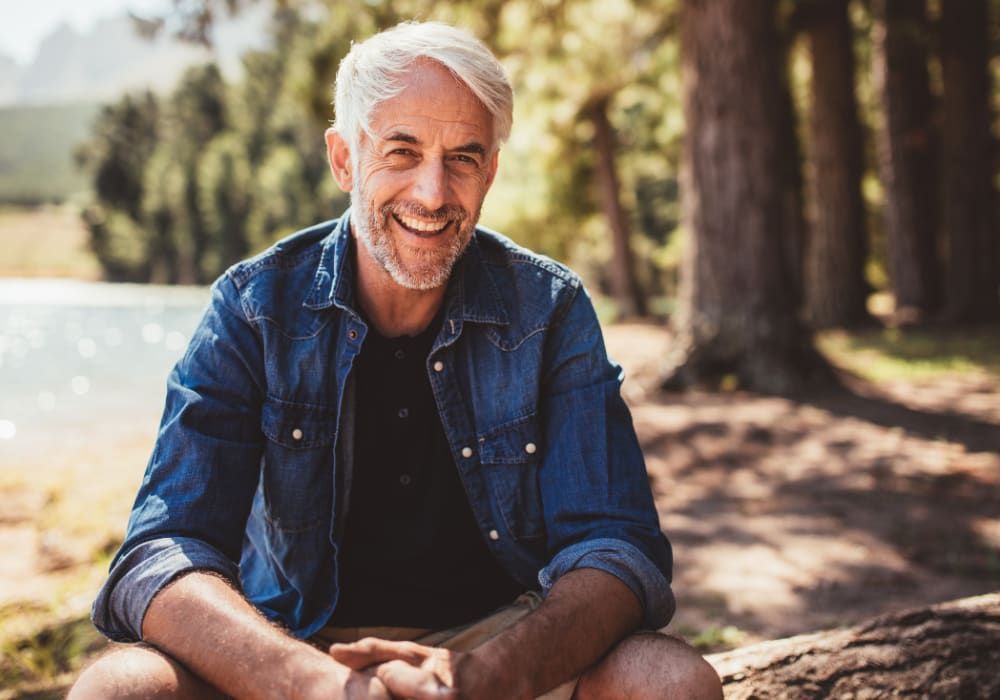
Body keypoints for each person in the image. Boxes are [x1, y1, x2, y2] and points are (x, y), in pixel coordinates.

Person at [70, 21, 722, 700]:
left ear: (490, 173)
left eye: (463, 158)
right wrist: (319, 686)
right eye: (402, 151)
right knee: (120, 689)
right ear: (344, 159)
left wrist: (483, 678)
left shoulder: (549, 309)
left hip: (504, 646)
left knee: (668, 683)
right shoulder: (254, 307)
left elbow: (616, 547)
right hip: (291, 647)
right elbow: (162, 550)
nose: (433, 193)